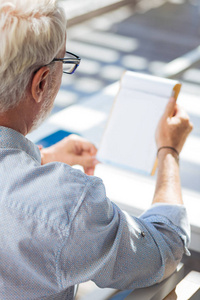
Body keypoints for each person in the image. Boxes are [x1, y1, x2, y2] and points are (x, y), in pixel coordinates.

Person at [0, 0, 193, 299]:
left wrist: (43, 157)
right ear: (41, 82)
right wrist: (169, 150)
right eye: (64, 63)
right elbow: (163, 248)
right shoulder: (65, 203)